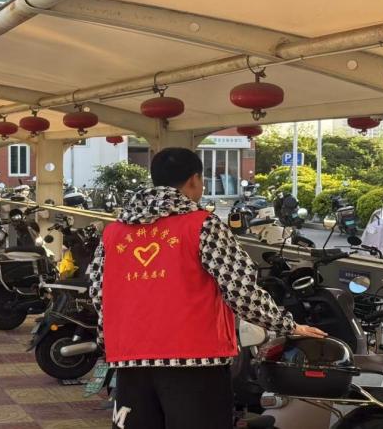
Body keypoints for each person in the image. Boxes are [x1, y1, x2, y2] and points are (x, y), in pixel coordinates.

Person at [88, 147, 326, 429]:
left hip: (130, 360)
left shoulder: (114, 233)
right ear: (194, 180)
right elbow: (240, 290)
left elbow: (98, 294)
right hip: (195, 362)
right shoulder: (202, 225)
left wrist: (111, 344)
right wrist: (288, 325)